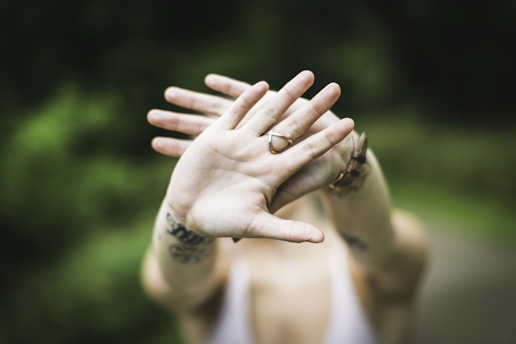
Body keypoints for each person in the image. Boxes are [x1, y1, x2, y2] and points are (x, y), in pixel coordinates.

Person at [141, 70, 428, 344]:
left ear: (301, 143)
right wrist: (183, 213)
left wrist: (347, 158)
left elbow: (382, 252)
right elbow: (181, 286)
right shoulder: (210, 279)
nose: (248, 174)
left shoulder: (372, 260)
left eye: (261, 141)